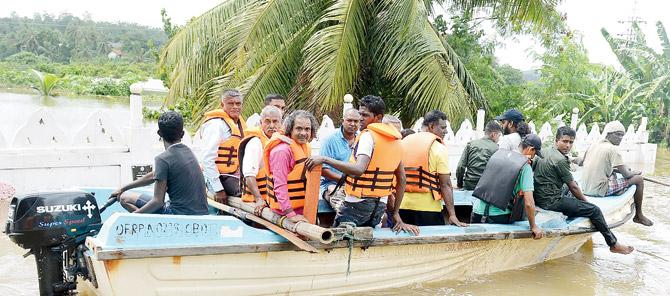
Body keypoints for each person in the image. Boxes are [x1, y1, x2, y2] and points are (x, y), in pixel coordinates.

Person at [306, 95, 419, 235]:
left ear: (378, 117)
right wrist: (395, 214)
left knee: (337, 239)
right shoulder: (395, 140)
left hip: (356, 204)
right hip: (379, 206)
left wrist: (324, 159)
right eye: (360, 114)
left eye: (365, 115)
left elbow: (359, 169)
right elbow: (402, 179)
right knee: (368, 241)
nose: (360, 119)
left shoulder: (368, 136)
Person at [534, 126, 634, 254]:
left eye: (571, 142)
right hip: (550, 201)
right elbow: (573, 187)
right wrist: (587, 203)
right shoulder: (560, 160)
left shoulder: (543, 152)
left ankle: (573, 211)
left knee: (569, 190)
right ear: (556, 141)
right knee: (594, 210)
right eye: (564, 141)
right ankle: (613, 244)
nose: (568, 145)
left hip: (540, 195)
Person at [111, 111, 208, 215]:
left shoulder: (163, 159)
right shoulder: (188, 152)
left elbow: (157, 202)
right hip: (201, 213)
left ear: (159, 133)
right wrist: (123, 188)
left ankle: (143, 227)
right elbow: (154, 175)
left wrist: (132, 218)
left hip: (177, 215)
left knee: (125, 198)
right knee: (126, 194)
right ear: (183, 133)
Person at [399, 110, 467, 227]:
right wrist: (452, 215)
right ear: (431, 126)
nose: (446, 131)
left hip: (401, 208)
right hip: (428, 210)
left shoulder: (404, 142)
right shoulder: (438, 148)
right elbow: (445, 184)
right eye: (443, 127)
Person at [577, 120, 653, 226]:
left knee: (613, 174)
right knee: (639, 179)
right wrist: (635, 172)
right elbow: (627, 174)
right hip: (599, 190)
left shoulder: (593, 145)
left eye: (622, 135)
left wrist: (571, 159)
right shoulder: (613, 149)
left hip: (585, 189)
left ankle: (619, 192)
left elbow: (581, 162)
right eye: (618, 134)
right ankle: (639, 215)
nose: (620, 138)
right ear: (608, 134)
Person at [470, 134, 544, 239]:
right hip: (498, 217)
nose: (534, 157)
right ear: (530, 149)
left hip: (476, 212)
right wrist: (533, 226)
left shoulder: (498, 155)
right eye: (535, 153)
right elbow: (529, 203)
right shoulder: (525, 167)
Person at [263, 110, 318, 223]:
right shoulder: (282, 151)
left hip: (302, 209)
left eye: (307, 129)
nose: (303, 133)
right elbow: (279, 185)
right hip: (285, 213)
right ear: (290, 129)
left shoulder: (304, 147)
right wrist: (291, 214)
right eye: (299, 128)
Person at [200, 89, 247, 205]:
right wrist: (218, 189)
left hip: (236, 175)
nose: (235, 107)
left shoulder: (241, 124)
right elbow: (207, 159)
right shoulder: (215, 125)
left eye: (238, 103)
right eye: (231, 103)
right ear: (222, 105)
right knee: (247, 193)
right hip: (220, 176)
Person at [238, 105, 282, 215]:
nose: (272, 125)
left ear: (281, 123)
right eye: (267, 121)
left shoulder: (282, 141)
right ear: (261, 122)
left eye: (275, 121)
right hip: (260, 199)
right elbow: (249, 174)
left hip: (276, 201)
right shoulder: (255, 142)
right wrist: (258, 199)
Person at [319, 108, 361, 215]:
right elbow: (324, 171)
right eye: (349, 120)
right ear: (343, 121)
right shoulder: (330, 140)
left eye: (356, 121)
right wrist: (346, 181)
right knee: (343, 209)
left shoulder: (363, 140)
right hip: (332, 184)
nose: (352, 124)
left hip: (356, 185)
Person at [456, 121, 502, 190]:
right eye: (498, 136)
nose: (499, 139)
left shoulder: (471, 144)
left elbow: (460, 166)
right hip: (485, 187)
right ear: (493, 134)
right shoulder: (496, 149)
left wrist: (460, 184)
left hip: (469, 185)